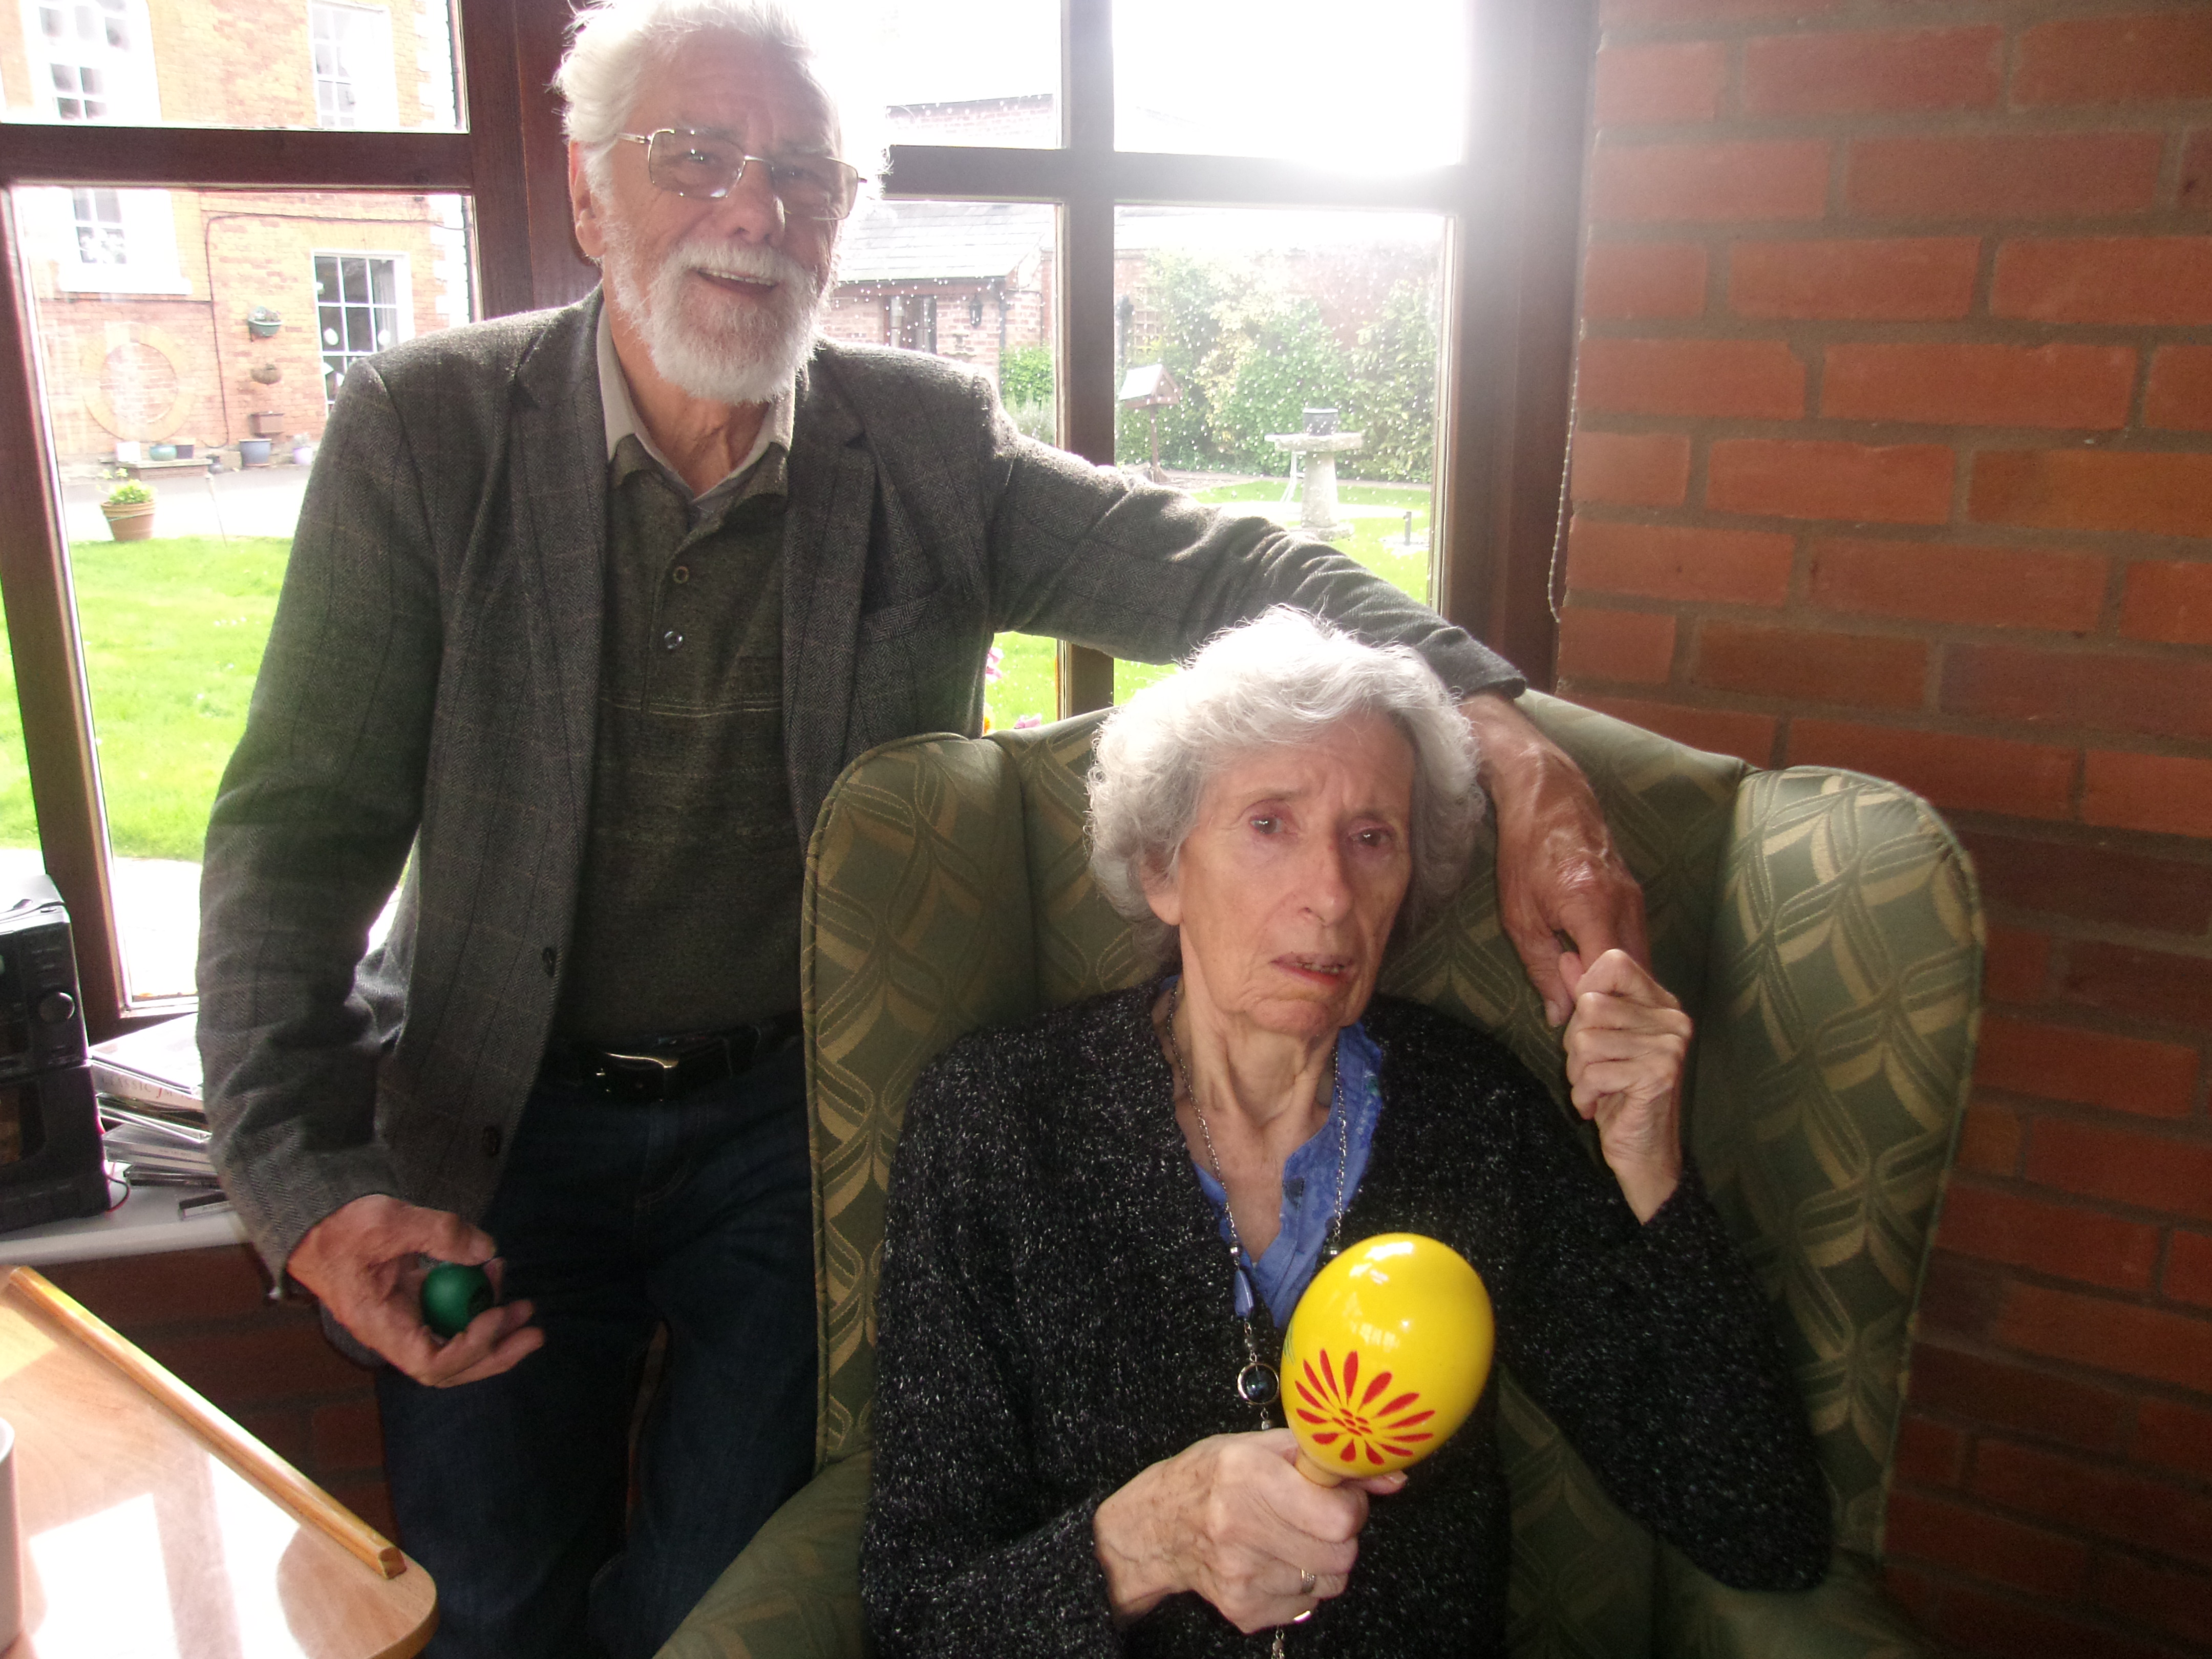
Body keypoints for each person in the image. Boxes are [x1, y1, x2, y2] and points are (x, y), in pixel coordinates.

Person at [196, 2, 1644, 1655]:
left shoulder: (923, 446)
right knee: (488, 1591)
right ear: (591, 195)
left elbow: (1229, 568)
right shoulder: (428, 431)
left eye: (805, 173)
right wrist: (310, 1190)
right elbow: (295, 833)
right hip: (493, 1119)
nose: (755, 208)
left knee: (719, 1600)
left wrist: (1505, 738)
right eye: (696, 157)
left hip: (781, 1136)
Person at [860, 610, 1830, 1656]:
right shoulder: (999, 1120)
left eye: (1373, 838)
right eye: (1269, 824)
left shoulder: (1469, 1115)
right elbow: (917, 1617)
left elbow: (1759, 1526)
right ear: (1164, 870)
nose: (1330, 895)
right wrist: (1147, 1545)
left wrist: (1651, 1164)